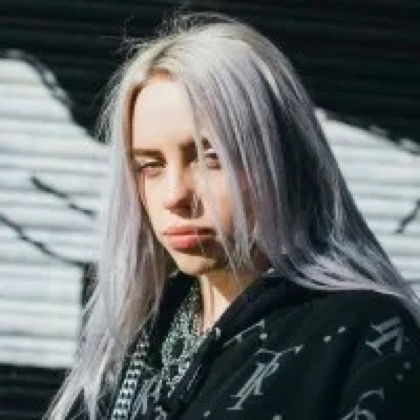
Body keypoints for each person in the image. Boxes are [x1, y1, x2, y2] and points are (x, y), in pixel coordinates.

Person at [46, 13, 420, 420]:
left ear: (283, 160)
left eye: (211, 158)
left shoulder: (366, 335)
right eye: (151, 166)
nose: (175, 196)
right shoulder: (138, 337)